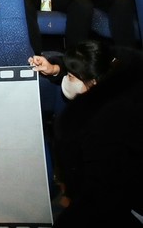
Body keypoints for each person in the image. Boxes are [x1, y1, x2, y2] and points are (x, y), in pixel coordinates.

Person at [29, 41, 143, 226]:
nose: (67, 79)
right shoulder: (107, 73)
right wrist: (55, 68)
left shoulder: (111, 126)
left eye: (71, 76)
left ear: (94, 82)